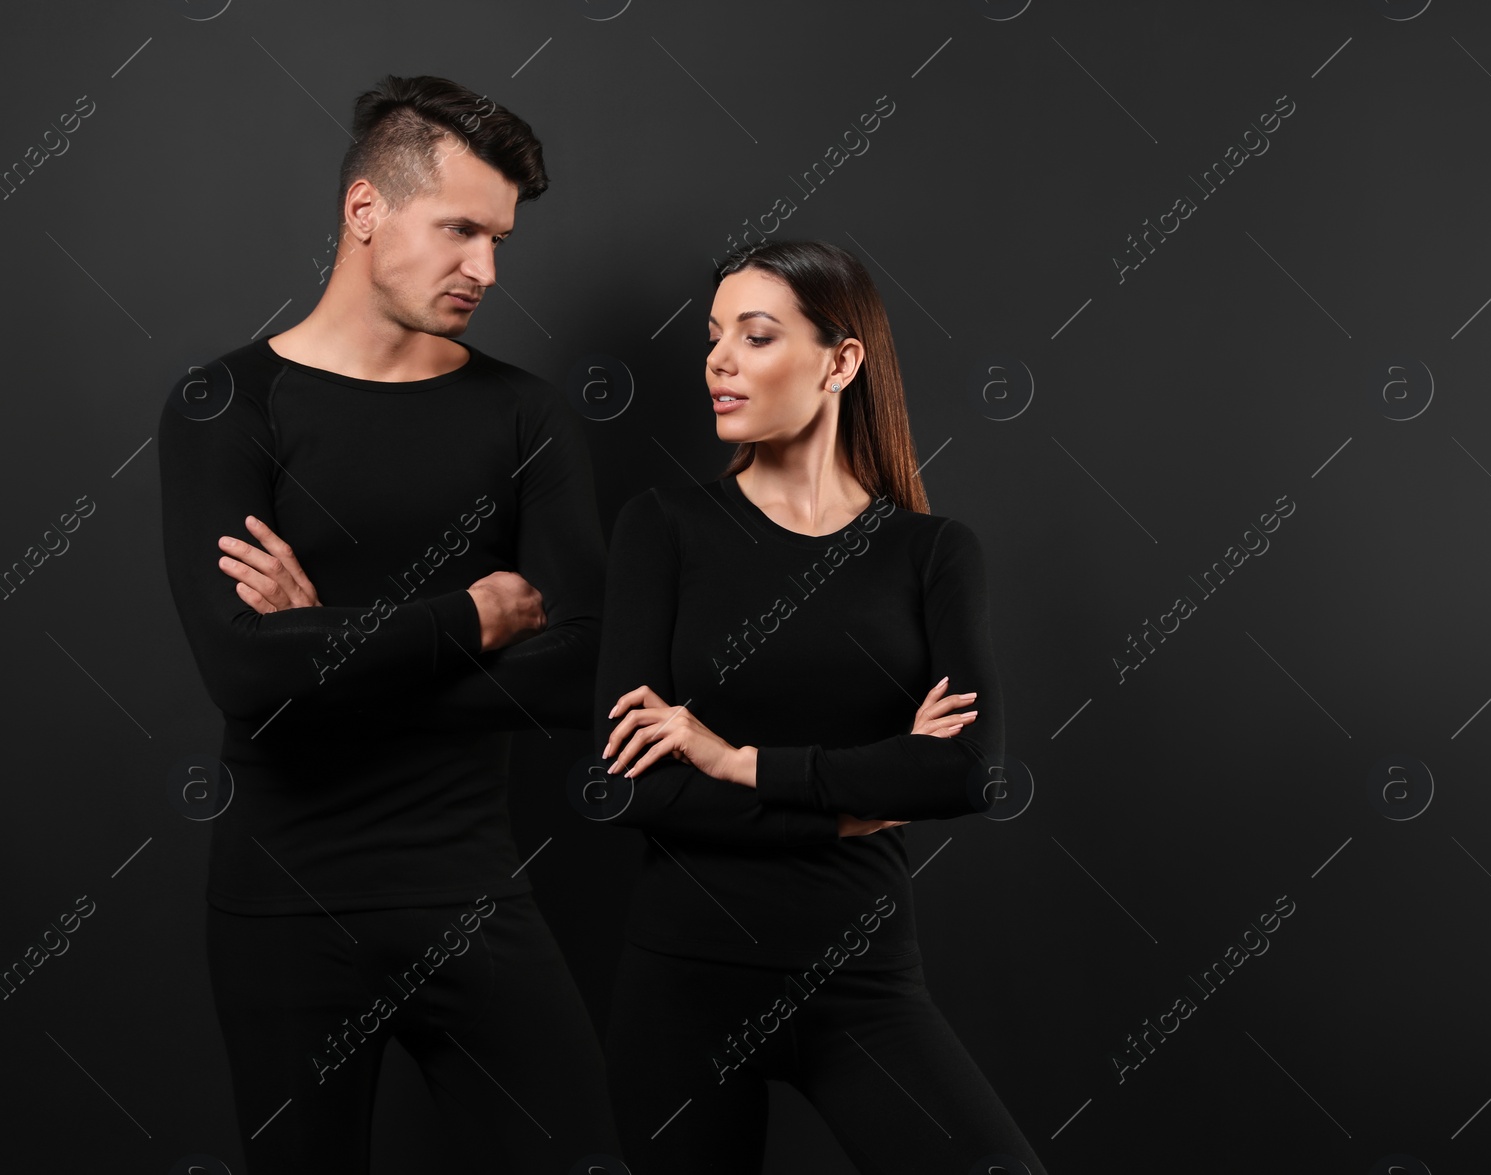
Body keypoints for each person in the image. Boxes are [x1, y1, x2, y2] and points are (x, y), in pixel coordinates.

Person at [158, 74, 623, 1174]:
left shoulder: (527, 414)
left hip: (471, 891)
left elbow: (584, 671)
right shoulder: (226, 404)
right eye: (460, 228)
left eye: (500, 238)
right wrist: (474, 611)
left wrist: (332, 645)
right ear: (365, 211)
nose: (487, 269)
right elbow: (243, 670)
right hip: (284, 907)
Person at [591, 239, 1046, 1174]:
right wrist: (862, 799)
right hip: (685, 985)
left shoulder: (932, 553)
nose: (717, 360)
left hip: (864, 981)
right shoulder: (663, 530)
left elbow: (967, 772)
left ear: (841, 362)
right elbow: (624, 787)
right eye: (713, 336)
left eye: (754, 337)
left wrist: (735, 761)